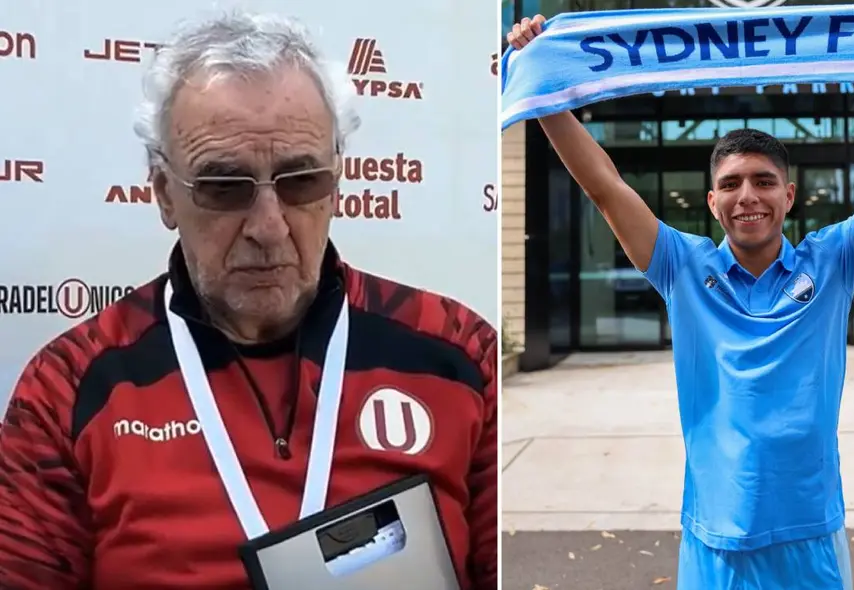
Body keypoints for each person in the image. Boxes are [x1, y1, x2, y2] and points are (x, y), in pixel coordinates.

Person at [0, 11, 497, 590]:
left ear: (337, 180)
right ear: (164, 194)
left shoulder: (458, 353)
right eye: (224, 187)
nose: (268, 227)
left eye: (301, 180)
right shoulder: (70, 387)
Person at [506, 3, 854, 589]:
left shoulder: (834, 260)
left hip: (810, 532)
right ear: (712, 202)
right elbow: (604, 185)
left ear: (789, 195)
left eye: (763, 182)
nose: (747, 196)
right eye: (730, 184)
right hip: (715, 536)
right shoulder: (681, 265)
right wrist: (544, 85)